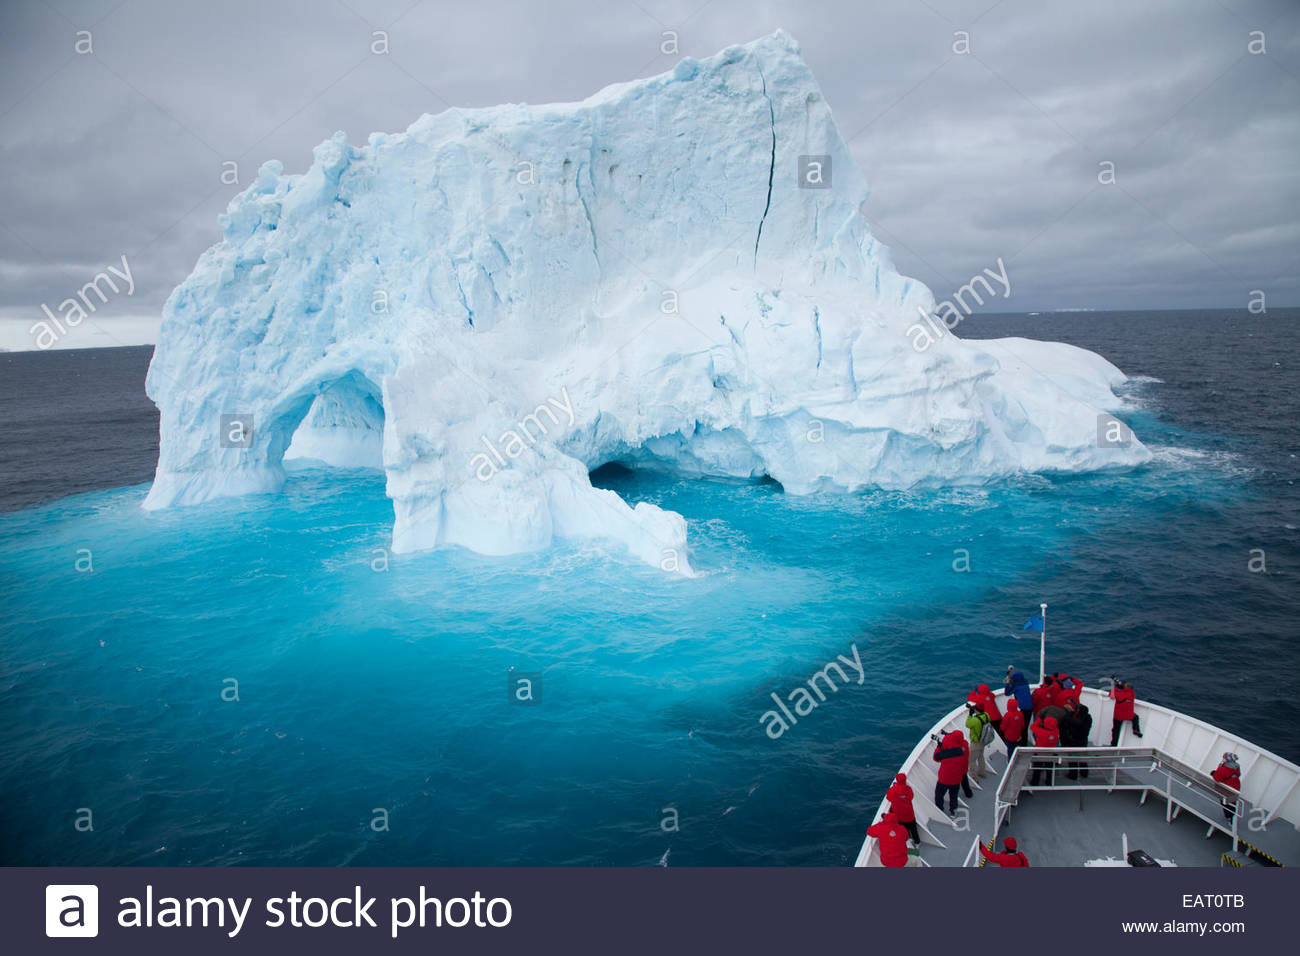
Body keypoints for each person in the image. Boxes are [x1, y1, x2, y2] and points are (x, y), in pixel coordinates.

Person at [933, 729, 971, 815]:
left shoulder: (949, 752)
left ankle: (939, 809)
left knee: (939, 795)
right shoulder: (964, 746)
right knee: (953, 796)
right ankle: (953, 811)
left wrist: (939, 746)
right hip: (957, 778)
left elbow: (936, 757)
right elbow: (957, 742)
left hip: (945, 779)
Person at [1059, 698, 1093, 779]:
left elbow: (1067, 718)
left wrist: (1071, 712)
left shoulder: (1077, 721)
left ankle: (1073, 775)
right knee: (1082, 758)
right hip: (1084, 740)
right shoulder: (1088, 718)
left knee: (1073, 759)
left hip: (1074, 741)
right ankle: (1084, 773)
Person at [886, 772, 920, 845]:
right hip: (909, 815)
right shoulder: (908, 789)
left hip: (899, 816)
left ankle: (906, 842)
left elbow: (888, 798)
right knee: (913, 829)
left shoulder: (893, 790)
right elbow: (911, 797)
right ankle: (917, 842)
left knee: (902, 830)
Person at [1109, 679, 1143, 745]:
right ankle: (1136, 729)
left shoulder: (1119, 695)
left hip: (1118, 716)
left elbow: (1111, 695)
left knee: (1116, 730)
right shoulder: (1132, 695)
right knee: (1135, 717)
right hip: (1129, 715)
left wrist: (1116, 687)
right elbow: (1127, 691)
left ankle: (1114, 744)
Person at [1004, 669, 1034, 743]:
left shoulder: (1016, 685)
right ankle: (1024, 742)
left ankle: (1021, 743)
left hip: (1023, 708)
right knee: (1025, 726)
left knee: (1020, 727)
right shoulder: (1025, 682)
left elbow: (1007, 693)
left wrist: (1007, 683)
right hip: (1030, 707)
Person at [1029, 715, 1059, 786]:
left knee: (1037, 770)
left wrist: (1038, 720)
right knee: (1049, 770)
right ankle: (1049, 782)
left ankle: (1035, 782)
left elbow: (1032, 727)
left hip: (1040, 754)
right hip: (1051, 754)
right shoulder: (1056, 732)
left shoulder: (1041, 732)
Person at [1212, 753, 1242, 823]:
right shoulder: (1236, 766)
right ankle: (1232, 817)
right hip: (1236, 785)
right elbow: (1238, 774)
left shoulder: (1223, 768)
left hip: (1227, 788)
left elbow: (1217, 778)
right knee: (1232, 802)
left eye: (1224, 758)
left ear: (1227, 760)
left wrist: (1214, 772)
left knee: (1225, 803)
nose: (1222, 759)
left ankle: (1229, 817)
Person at [965, 702, 991, 779]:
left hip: (976, 742)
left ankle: (974, 776)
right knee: (980, 756)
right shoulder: (986, 715)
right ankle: (982, 772)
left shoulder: (975, 720)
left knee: (971, 760)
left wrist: (970, 715)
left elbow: (967, 724)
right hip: (983, 740)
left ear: (976, 710)